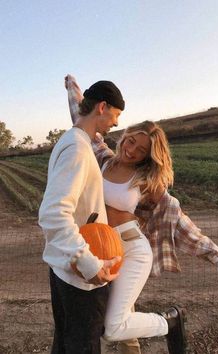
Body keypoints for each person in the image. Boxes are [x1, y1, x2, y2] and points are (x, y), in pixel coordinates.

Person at [66, 75, 218, 354]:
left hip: (132, 248)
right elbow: (83, 117)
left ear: (147, 156)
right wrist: (73, 90)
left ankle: (170, 322)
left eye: (140, 151)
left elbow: (175, 215)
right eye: (130, 142)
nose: (131, 151)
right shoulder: (102, 158)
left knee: (113, 325)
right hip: (102, 247)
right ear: (125, 136)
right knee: (110, 319)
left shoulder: (146, 180)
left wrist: (206, 248)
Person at [38, 77, 125, 354]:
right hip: (81, 275)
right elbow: (53, 213)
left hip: (66, 269)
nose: (116, 123)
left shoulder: (76, 141)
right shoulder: (77, 149)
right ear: (102, 107)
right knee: (83, 345)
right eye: (116, 115)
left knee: (66, 343)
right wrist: (89, 263)